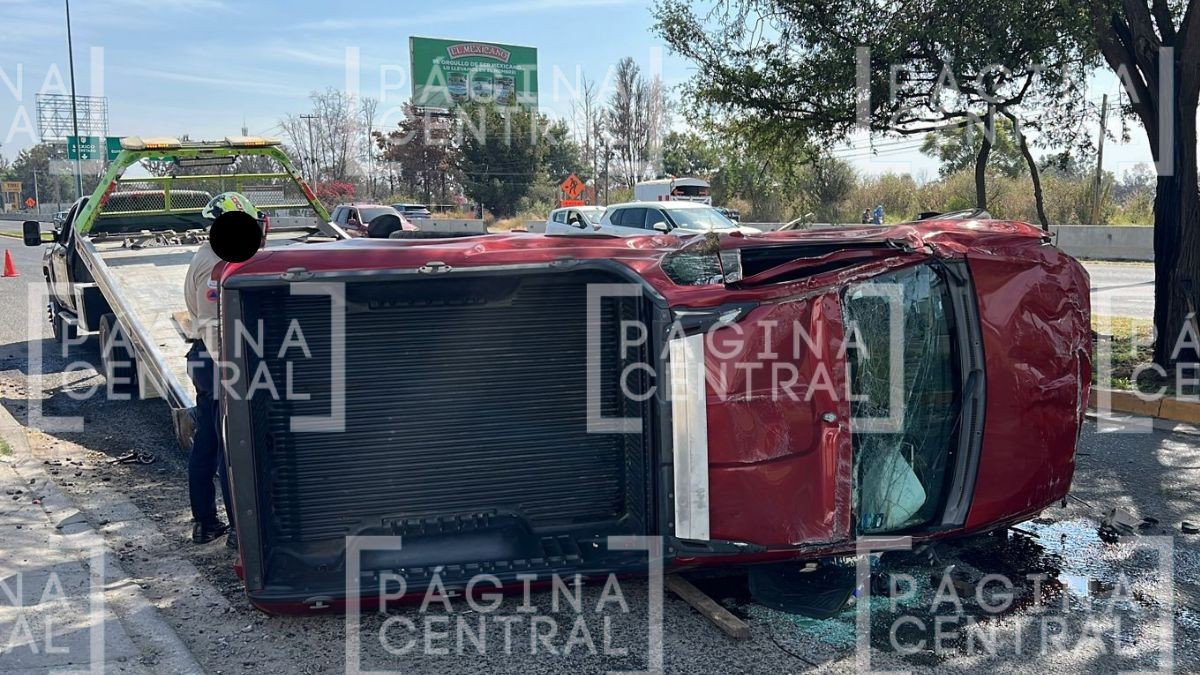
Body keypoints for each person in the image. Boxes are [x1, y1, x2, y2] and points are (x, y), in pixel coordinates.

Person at [184, 191, 263, 547]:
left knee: (207, 442)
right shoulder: (219, 262)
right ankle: (238, 531)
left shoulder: (204, 255)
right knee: (232, 447)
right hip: (221, 360)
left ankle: (205, 522)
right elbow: (216, 325)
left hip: (203, 359)